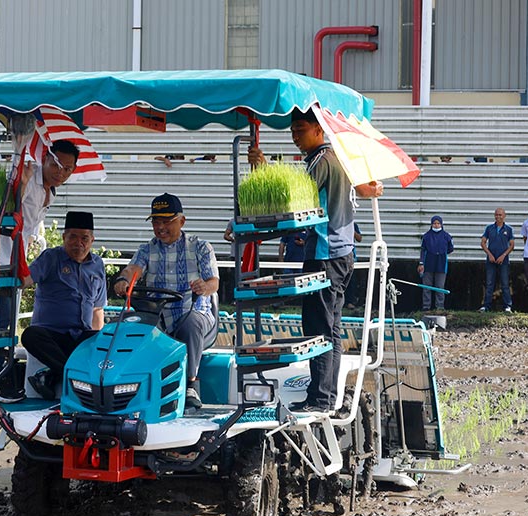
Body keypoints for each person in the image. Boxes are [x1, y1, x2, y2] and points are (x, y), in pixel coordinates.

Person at [248, 107, 383, 413]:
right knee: (331, 328)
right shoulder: (338, 158)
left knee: (318, 328)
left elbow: (294, 199)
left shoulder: (322, 160)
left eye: (301, 130)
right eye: (293, 132)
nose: (296, 137)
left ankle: (319, 399)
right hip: (343, 253)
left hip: (324, 254)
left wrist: (264, 169)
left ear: (319, 131)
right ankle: (326, 396)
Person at [113, 193, 219, 411]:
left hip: (192, 309)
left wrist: (204, 287)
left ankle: (191, 385)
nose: (160, 227)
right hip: (157, 314)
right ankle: (127, 387)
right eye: (156, 221)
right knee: (125, 324)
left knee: (190, 324)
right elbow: (133, 269)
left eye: (166, 221)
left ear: (182, 220)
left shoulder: (200, 247)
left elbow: (213, 282)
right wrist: (124, 280)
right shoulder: (146, 249)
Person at [0, 139, 79, 331]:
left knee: (4, 319)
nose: (61, 172)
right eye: (56, 165)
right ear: (45, 158)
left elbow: (30, 224)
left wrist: (30, 240)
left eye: (68, 169)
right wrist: (22, 184)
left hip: (11, 259)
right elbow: (5, 210)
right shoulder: (29, 177)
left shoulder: (51, 191)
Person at [20, 211, 107, 399]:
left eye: (84, 238)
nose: (79, 243)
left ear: (92, 240)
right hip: (51, 336)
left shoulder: (97, 265)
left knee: (108, 341)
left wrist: (97, 341)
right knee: (30, 335)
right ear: (63, 237)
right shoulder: (50, 258)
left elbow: (97, 310)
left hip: (80, 336)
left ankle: (54, 375)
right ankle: (75, 376)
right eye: (73, 237)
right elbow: (26, 279)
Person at [479, 208, 515, 313]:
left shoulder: (508, 229)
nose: (498, 217)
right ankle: (486, 306)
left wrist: (503, 255)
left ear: (504, 216)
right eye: (496, 215)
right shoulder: (489, 228)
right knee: (489, 283)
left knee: (505, 283)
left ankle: (507, 306)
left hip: (503, 260)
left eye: (500, 215)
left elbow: (512, 245)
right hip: (491, 260)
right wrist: (489, 254)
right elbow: (483, 242)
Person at [418, 215, 454, 311]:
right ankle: (426, 307)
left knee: (440, 287)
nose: (436, 225)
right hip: (428, 264)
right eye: (434, 223)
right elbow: (423, 250)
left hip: (441, 264)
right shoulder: (426, 236)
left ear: (441, 224)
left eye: (438, 223)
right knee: (426, 287)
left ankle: (440, 307)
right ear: (431, 224)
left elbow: (450, 249)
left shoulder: (447, 236)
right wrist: (421, 263)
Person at [344, 222, 364, 308]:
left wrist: (352, 230)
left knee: (351, 280)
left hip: (351, 255)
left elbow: (359, 238)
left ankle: (350, 301)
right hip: (337, 255)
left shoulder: (353, 225)